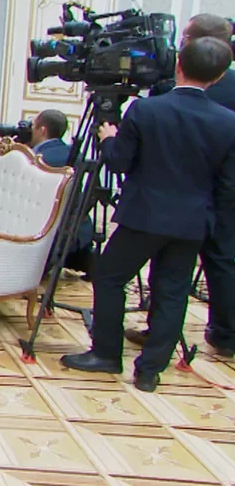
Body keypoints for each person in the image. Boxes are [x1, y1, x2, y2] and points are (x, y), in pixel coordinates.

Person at [60, 37, 235, 391]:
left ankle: (106, 354)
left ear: (178, 66)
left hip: (144, 215)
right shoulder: (228, 122)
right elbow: (227, 186)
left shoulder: (145, 110)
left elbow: (120, 163)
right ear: (218, 77)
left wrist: (109, 138)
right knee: (172, 292)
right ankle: (150, 371)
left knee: (109, 276)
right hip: (192, 222)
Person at [127, 13, 235, 357]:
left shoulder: (168, 87)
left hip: (172, 197)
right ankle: (225, 335)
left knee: (168, 272)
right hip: (222, 192)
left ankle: (158, 332)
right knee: (222, 263)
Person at [29, 109, 95, 274]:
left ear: (42, 130)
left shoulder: (35, 158)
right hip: (79, 232)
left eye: (33, 126)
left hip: (47, 236)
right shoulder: (75, 154)